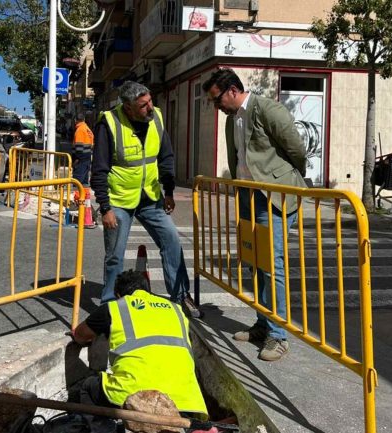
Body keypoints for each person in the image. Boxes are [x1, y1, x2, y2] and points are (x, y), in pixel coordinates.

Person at [202, 68, 307, 362]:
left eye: (217, 99)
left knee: (272, 266)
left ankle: (279, 335)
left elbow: (296, 150)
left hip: (272, 196)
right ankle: (263, 325)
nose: (216, 106)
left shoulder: (266, 110)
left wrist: (287, 179)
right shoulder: (231, 120)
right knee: (256, 263)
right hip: (248, 196)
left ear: (233, 90)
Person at [91, 80, 201, 318]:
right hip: (119, 200)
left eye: (150, 101)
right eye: (143, 105)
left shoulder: (157, 118)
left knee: (171, 241)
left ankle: (181, 296)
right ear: (128, 108)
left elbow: (166, 157)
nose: (150, 108)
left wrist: (169, 191)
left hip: (150, 197)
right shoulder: (108, 123)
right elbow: (98, 169)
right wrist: (105, 207)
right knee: (115, 255)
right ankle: (110, 305)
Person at [70, 269, 208, 431]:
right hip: (187, 402)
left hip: (133, 396)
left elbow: (80, 335)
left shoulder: (116, 307)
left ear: (118, 294)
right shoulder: (177, 309)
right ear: (147, 290)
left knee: (88, 387)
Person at [72, 111, 94, 186]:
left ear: (76, 120)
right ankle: (84, 196)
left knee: (77, 181)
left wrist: (76, 160)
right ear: (84, 120)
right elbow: (91, 144)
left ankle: (78, 196)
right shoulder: (88, 129)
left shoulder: (79, 130)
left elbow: (79, 147)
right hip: (87, 156)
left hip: (81, 159)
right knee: (84, 181)